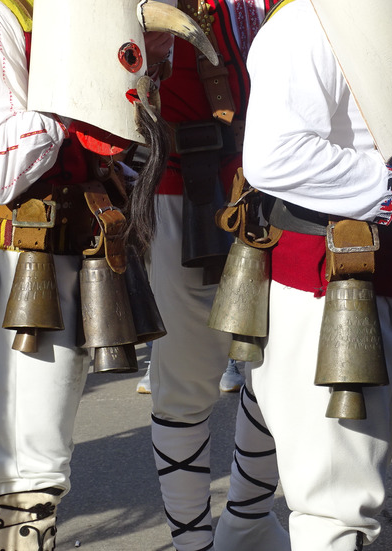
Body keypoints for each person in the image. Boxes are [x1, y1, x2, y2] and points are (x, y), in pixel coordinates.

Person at [0, 0, 190, 548]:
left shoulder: (48, 15)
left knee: (42, 451)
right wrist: (84, 98)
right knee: (26, 457)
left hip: (70, 239)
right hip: (16, 251)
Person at [239, 0, 392, 549]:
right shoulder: (307, 22)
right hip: (330, 287)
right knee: (336, 513)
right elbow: (271, 157)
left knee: (296, 497)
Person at [142, 2, 289, 550]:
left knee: (277, 366)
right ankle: (191, 542)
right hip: (186, 191)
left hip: (284, 193)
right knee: (185, 381)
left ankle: (248, 520)